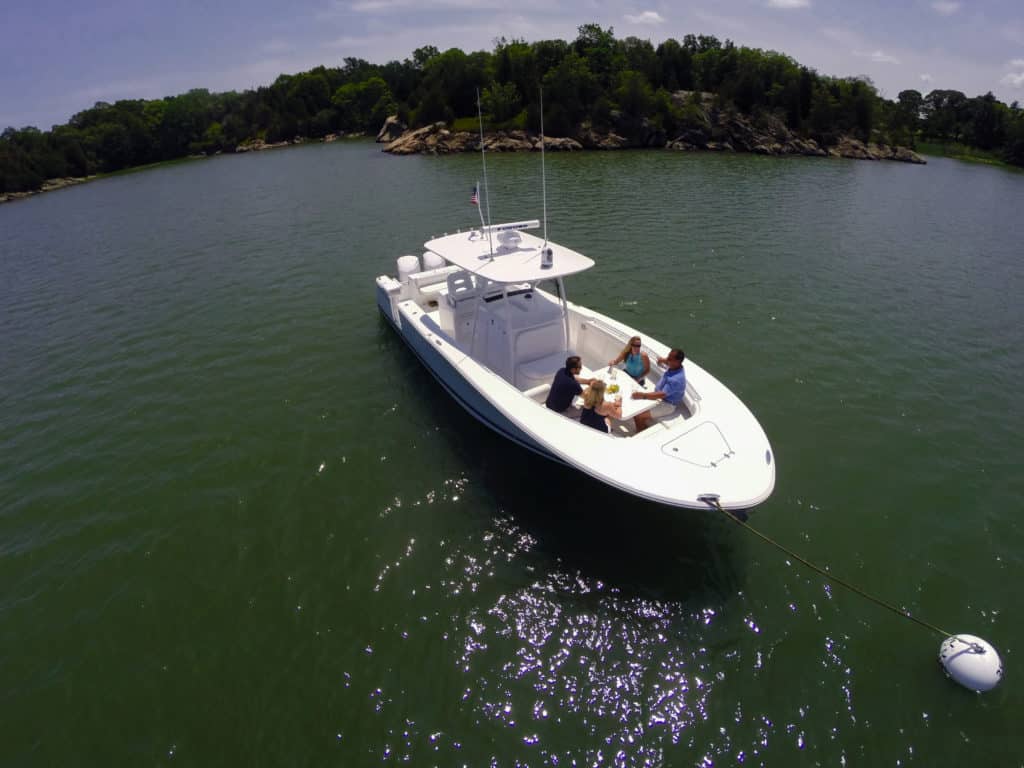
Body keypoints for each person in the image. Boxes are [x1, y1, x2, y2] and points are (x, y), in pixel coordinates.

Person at [631, 348, 686, 432]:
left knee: (638, 415)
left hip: (667, 405)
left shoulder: (676, 379)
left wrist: (642, 395)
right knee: (636, 407)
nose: (667, 360)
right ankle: (642, 426)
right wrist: (662, 360)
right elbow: (667, 360)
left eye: (670, 359)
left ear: (678, 362)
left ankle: (640, 432)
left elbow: (662, 394)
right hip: (658, 397)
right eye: (668, 356)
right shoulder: (675, 366)